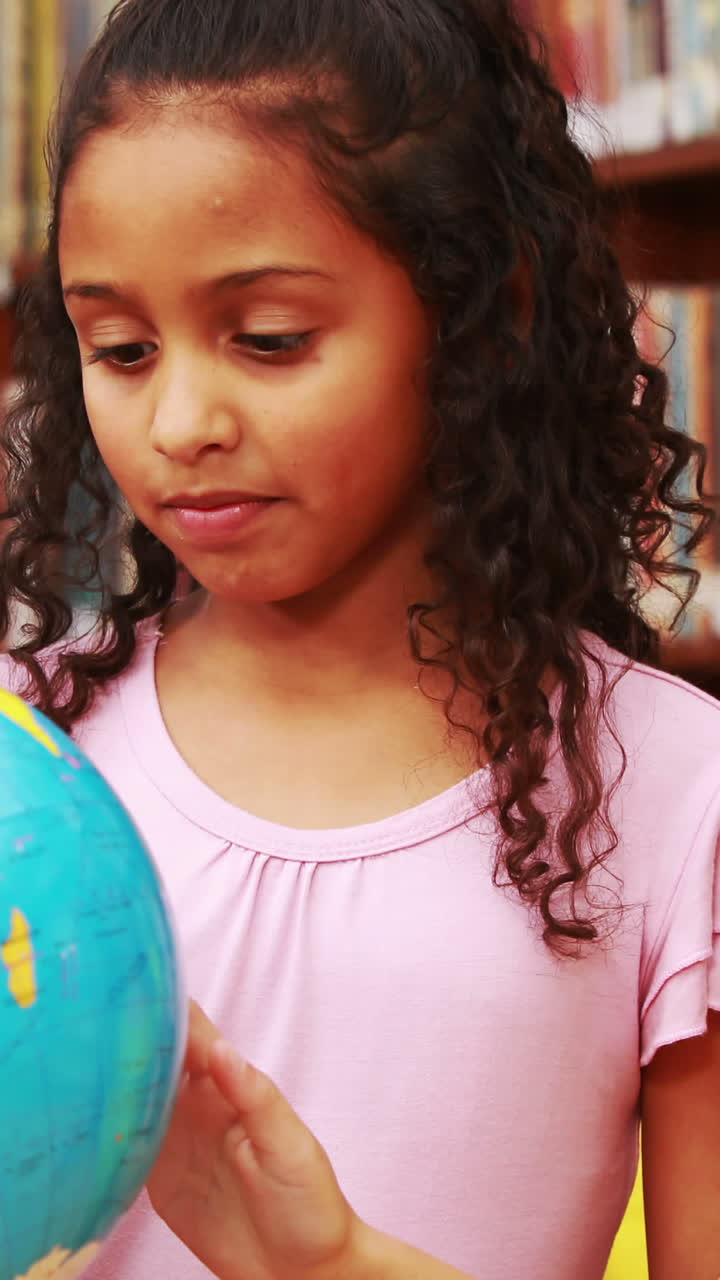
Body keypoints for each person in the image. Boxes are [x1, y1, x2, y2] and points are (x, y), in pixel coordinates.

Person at [2, 0, 719, 1277]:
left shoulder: (680, 792)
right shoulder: (27, 755)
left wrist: (329, 1262)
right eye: (118, 346)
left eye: (269, 339)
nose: (180, 419)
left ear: (483, 317)